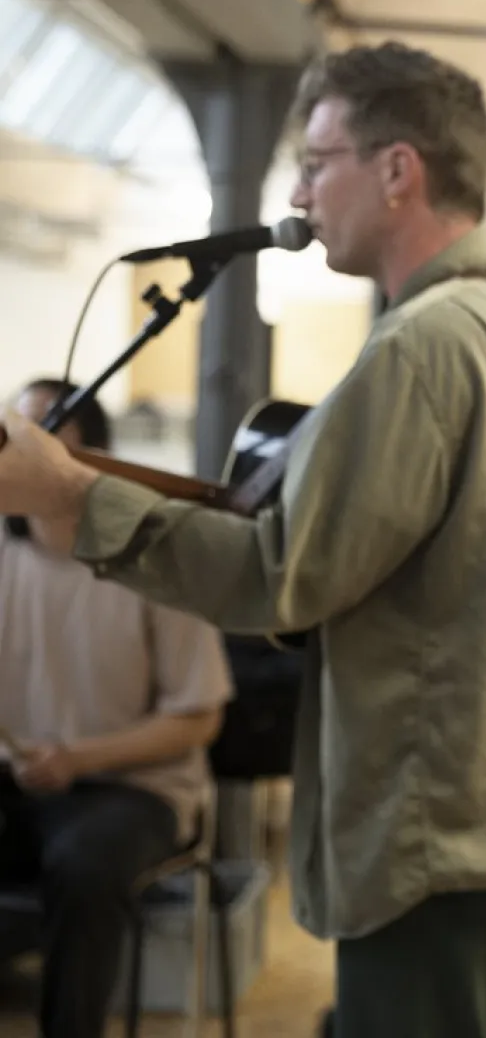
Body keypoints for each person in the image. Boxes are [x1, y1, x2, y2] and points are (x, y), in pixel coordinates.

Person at [0, 41, 486, 1038]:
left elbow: (283, 575)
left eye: (318, 162)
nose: (301, 190)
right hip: (484, 804)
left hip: (426, 823)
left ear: (397, 170)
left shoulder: (422, 344)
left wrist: (69, 497)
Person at [0, 380, 232, 1038]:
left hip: (134, 789)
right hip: (19, 784)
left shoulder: (153, 558)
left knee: (84, 866)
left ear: (87, 457)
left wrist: (77, 758)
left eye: (32, 437)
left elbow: (199, 717)